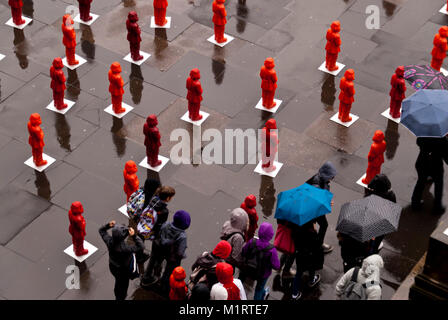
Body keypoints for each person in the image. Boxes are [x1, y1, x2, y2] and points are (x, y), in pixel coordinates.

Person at [141, 210, 191, 294]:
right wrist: (182, 255)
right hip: (172, 256)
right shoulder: (182, 236)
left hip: (160, 249)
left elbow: (159, 234)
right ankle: (164, 285)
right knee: (169, 270)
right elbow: (180, 252)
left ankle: (153, 275)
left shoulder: (166, 224)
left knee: (157, 262)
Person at [99, 220, 144, 300]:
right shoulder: (125, 248)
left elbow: (101, 230)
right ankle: (120, 297)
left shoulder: (109, 242)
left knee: (118, 281)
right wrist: (134, 236)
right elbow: (141, 246)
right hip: (123, 270)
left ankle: (117, 294)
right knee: (123, 285)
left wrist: (108, 225)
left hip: (113, 266)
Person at [240, 222, 280, 300]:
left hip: (249, 269)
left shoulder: (252, 241)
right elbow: (276, 266)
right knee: (259, 289)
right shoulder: (272, 250)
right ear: (271, 235)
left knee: (242, 282)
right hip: (262, 275)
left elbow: (243, 252)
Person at [306, 161, 337, 253]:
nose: (332, 178)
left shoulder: (323, 179)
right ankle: (317, 245)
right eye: (331, 176)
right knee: (322, 225)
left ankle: (317, 244)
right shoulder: (317, 183)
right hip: (313, 209)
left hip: (316, 209)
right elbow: (315, 200)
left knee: (322, 225)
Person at [411, 136, 448, 213]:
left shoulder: (424, 134)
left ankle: (415, 203)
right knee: (438, 184)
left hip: (422, 162)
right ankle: (437, 207)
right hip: (436, 166)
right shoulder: (443, 140)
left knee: (420, 182)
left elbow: (418, 142)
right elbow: (446, 155)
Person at [291, 221, 323, 300]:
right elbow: (318, 244)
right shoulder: (312, 233)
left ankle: (295, 294)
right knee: (312, 268)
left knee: (298, 274)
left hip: (300, 256)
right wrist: (315, 231)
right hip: (310, 256)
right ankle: (312, 280)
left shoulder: (295, 230)